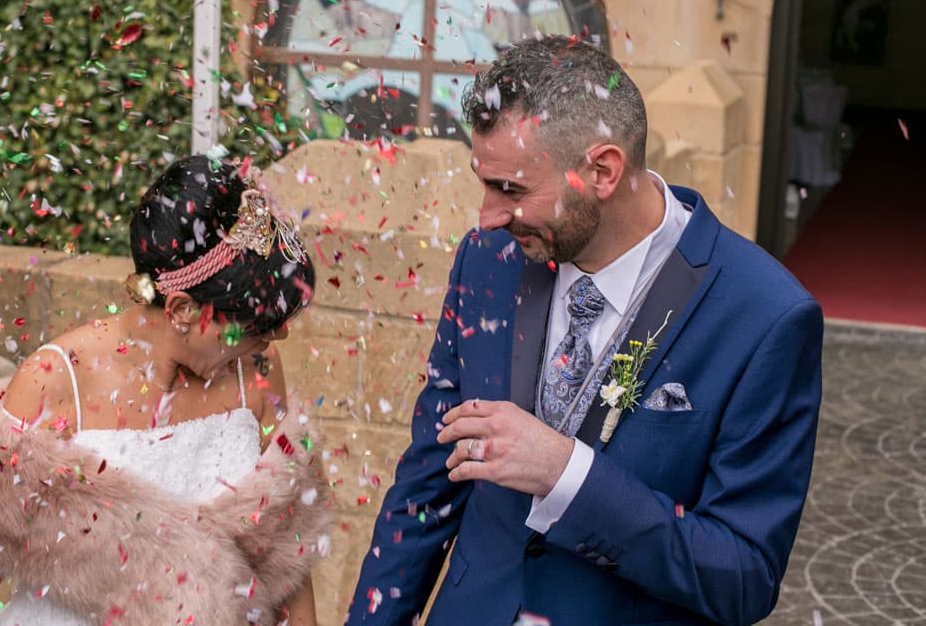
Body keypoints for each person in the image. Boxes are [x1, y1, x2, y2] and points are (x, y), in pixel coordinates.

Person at [346, 37, 823, 625]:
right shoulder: (486, 260)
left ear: (601, 170)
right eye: (484, 182)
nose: (487, 216)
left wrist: (567, 475)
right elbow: (426, 484)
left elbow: (743, 577)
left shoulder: (766, 316)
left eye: (512, 189)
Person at [0, 156, 329, 625]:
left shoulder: (257, 370)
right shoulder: (54, 380)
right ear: (184, 310)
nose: (276, 337)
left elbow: (289, 556)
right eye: (258, 324)